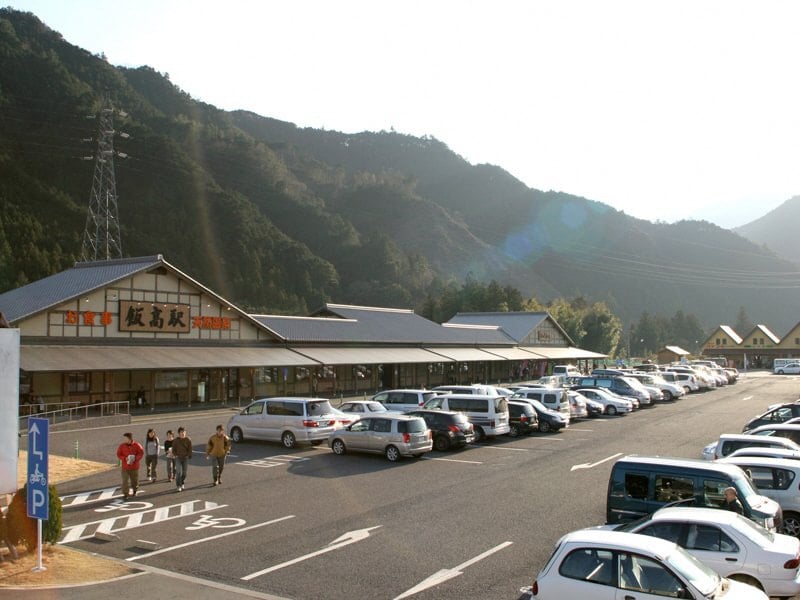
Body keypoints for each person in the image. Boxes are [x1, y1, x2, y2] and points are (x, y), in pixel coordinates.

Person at [116, 432, 144, 501]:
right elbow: (118, 454)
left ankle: (135, 490)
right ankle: (126, 494)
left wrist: (135, 458)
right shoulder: (122, 446)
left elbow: (141, 453)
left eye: (125, 438)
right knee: (125, 480)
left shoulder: (137, 445)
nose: (124, 440)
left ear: (130, 439)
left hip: (134, 467)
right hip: (125, 467)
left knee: (134, 480)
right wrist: (124, 458)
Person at [172, 426, 192, 492]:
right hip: (178, 458)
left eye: (183, 432)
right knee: (178, 472)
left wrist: (189, 455)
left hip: (185, 458)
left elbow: (190, 449)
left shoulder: (188, 440)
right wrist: (175, 455)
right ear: (179, 433)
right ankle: (178, 485)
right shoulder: (175, 441)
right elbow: (173, 449)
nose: (182, 433)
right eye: (181, 432)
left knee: (184, 473)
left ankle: (182, 482)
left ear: (185, 432)